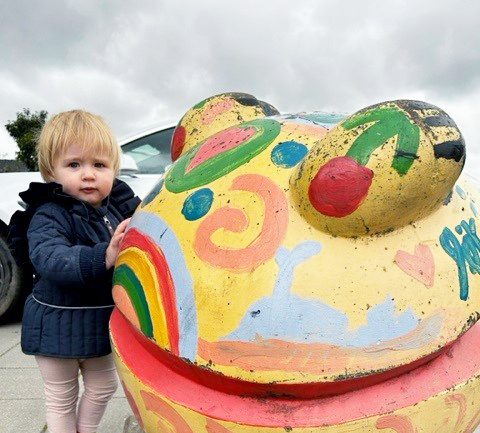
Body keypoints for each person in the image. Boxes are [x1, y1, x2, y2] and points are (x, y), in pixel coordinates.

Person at [8, 110, 141, 433]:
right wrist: (105, 254)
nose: (88, 175)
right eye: (74, 165)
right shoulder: (48, 215)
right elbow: (52, 259)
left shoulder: (117, 210)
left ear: (113, 169)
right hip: (56, 324)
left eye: (99, 165)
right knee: (61, 397)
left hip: (97, 322)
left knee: (103, 386)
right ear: (51, 172)